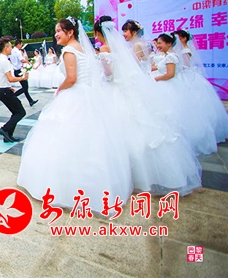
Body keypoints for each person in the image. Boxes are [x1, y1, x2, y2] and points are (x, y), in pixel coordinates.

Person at [17, 17, 132, 212]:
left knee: (66, 137)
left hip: (75, 95)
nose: (56, 35)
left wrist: (59, 89)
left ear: (70, 32)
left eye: (59, 31)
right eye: (55, 31)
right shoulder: (82, 48)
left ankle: (66, 187)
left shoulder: (69, 51)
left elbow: (71, 78)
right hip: (89, 95)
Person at [93, 17, 201, 195]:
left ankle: (126, 172)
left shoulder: (106, 48)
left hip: (115, 89)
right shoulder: (123, 48)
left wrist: (101, 77)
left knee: (120, 127)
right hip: (129, 87)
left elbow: (110, 73)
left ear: (99, 33)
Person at [153, 33, 217, 156]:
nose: (158, 45)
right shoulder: (167, 55)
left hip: (169, 87)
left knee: (172, 113)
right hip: (167, 86)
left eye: (160, 43)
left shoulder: (171, 56)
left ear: (169, 43)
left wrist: (154, 79)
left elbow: (170, 74)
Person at [173, 29, 228, 144]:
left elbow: (186, 65)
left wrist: (175, 69)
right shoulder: (182, 49)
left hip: (187, 76)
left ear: (184, 38)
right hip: (185, 75)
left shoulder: (185, 50)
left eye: (178, 38)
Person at [0, 39, 28, 142]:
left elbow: (3, 77)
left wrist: (8, 87)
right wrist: (23, 78)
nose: (11, 49)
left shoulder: (0, 59)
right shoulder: (4, 61)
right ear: (6, 48)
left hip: (3, 89)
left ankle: (8, 135)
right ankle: (4, 129)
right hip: (4, 91)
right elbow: (10, 78)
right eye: (10, 47)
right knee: (21, 112)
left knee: (15, 112)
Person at [10, 40, 38, 107]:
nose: (21, 46)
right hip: (20, 70)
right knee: (25, 87)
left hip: (15, 70)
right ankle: (13, 96)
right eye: (21, 45)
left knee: (24, 86)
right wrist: (28, 62)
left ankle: (30, 101)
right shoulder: (18, 51)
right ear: (18, 44)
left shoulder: (11, 51)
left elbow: (9, 59)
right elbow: (21, 60)